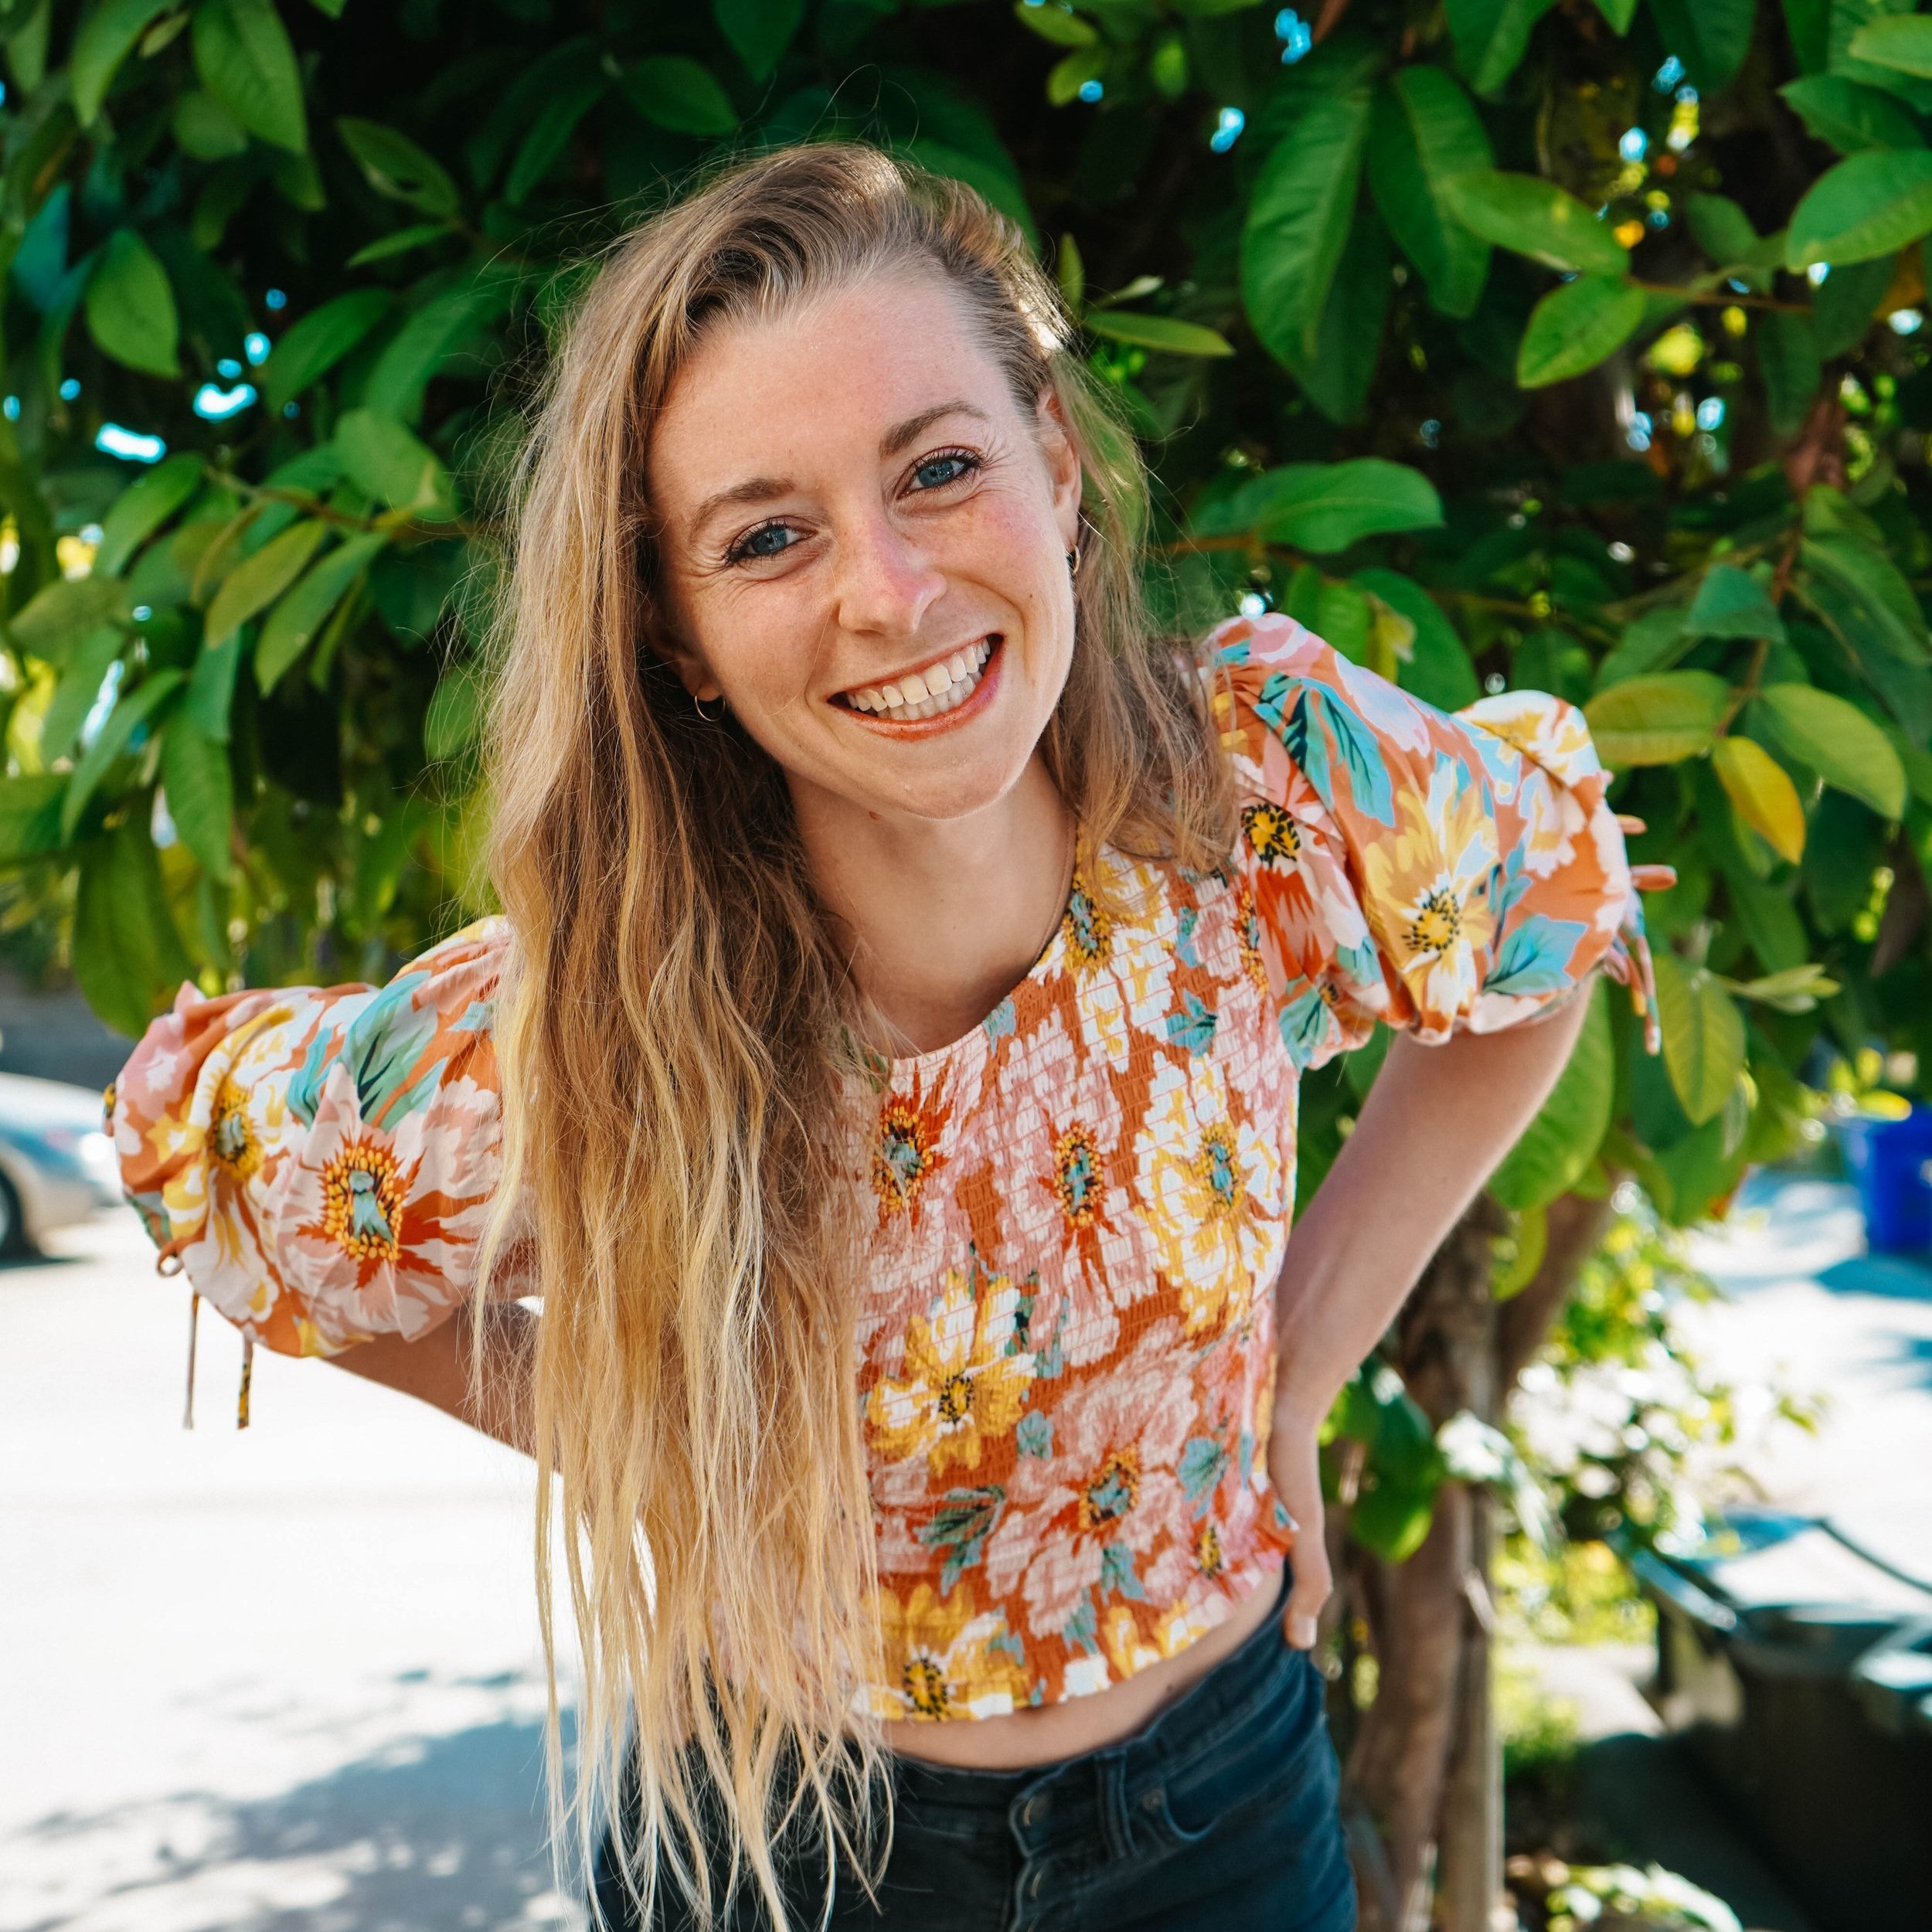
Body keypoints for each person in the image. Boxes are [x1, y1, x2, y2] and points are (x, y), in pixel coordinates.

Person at [112, 142, 1658, 1932]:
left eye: (938, 469)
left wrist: (1292, 1368)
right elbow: (212, 1168)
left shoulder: (1256, 792)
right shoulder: (590, 1011)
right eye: (765, 537)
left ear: (1056, 472)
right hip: (786, 1844)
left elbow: (1544, 914)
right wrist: (642, 1439)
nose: (890, 591)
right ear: (678, 638)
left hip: (1223, 1812)